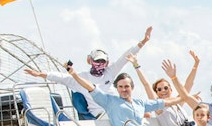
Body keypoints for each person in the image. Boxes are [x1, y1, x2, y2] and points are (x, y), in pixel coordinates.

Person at [35, 64, 183, 126]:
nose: (124, 89)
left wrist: (186, 98)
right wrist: (74, 74)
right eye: (120, 87)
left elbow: (166, 101)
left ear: (132, 87)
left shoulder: (140, 104)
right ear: (117, 88)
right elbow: (90, 86)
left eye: (126, 86)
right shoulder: (110, 101)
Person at [25, 26, 153, 118]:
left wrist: (144, 41)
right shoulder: (81, 78)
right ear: (89, 61)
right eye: (97, 61)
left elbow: (125, 57)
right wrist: (39, 74)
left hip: (117, 109)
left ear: (107, 63)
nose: (100, 65)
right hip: (101, 115)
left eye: (103, 62)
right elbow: (60, 77)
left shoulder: (110, 72)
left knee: (146, 114)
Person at [128, 50, 199, 126]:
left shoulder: (178, 102)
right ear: (156, 93)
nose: (163, 91)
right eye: (159, 89)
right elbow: (146, 84)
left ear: (171, 89)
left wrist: (196, 65)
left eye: (165, 88)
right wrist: (136, 65)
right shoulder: (158, 106)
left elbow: (188, 85)